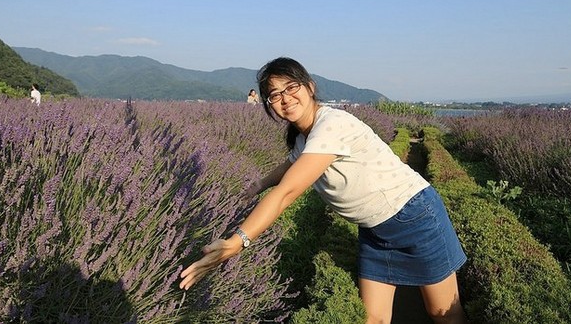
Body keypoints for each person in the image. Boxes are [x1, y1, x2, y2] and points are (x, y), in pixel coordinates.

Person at [179, 57, 468, 324]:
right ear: (268, 103)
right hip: (375, 230)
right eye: (275, 94)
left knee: (443, 314)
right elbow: (289, 165)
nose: (285, 98)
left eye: (291, 87)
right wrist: (257, 185)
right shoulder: (304, 137)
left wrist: (236, 242)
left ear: (309, 87)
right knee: (373, 319)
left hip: (415, 217)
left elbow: (286, 194)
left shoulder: (332, 125)